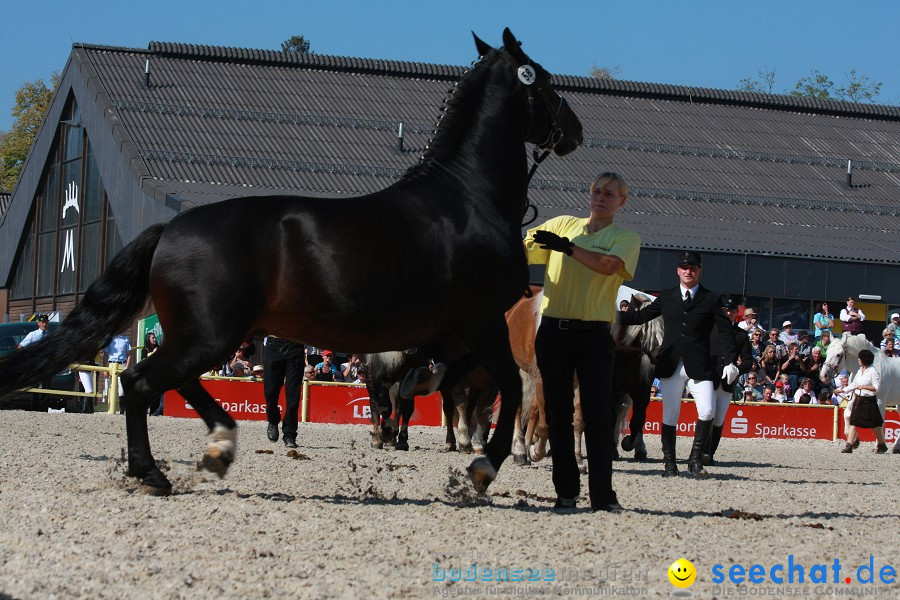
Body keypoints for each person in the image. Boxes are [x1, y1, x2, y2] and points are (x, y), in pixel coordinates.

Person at [525, 171, 640, 513]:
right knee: (557, 416)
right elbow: (522, 250)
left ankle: (602, 496)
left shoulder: (625, 237)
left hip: (593, 335)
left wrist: (569, 249)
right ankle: (566, 493)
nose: (600, 197)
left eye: (608, 193)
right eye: (596, 191)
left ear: (622, 201)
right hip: (553, 332)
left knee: (598, 416)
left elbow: (608, 266)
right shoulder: (562, 223)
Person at [620, 250, 737, 479]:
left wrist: (731, 361)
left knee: (707, 410)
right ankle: (670, 464)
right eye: (684, 268)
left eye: (693, 268)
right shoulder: (667, 296)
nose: (688, 271)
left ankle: (694, 461)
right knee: (670, 415)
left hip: (700, 364)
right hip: (671, 363)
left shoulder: (712, 298)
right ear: (678, 271)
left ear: (699, 271)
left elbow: (726, 333)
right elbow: (639, 318)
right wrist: (609, 315)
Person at [705, 296, 753, 465]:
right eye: (726, 310)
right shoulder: (710, 330)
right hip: (709, 377)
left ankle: (710, 454)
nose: (729, 313)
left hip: (727, 381)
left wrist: (738, 370)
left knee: (718, 419)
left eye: (732, 311)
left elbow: (748, 361)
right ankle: (699, 451)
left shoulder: (741, 335)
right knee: (706, 413)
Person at [841, 349, 888, 454]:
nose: (858, 360)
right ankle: (849, 446)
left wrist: (864, 387)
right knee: (853, 422)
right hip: (858, 399)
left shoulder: (873, 372)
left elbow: (877, 388)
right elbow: (854, 384)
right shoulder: (859, 370)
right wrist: (843, 390)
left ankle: (882, 444)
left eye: (859, 358)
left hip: (869, 401)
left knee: (874, 425)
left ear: (863, 360)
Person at [263, 337, 305, 448]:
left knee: (293, 395)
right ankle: (272, 420)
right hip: (274, 344)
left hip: (296, 345)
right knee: (270, 391)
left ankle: (289, 434)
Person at [18, 314, 55, 410]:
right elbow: (21, 347)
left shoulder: (50, 335)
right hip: (35, 364)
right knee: (35, 385)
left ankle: (44, 407)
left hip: (46, 364)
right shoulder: (32, 335)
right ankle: (35, 407)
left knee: (46, 386)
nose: (44, 324)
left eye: (46, 322)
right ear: (38, 323)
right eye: (42, 322)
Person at [103, 332, 132, 411]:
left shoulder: (125, 339)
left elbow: (129, 354)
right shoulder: (109, 339)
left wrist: (127, 367)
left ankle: (122, 409)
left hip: (122, 364)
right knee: (111, 387)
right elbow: (105, 355)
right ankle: (110, 408)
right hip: (111, 364)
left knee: (122, 389)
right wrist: (105, 369)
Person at [144, 332, 163, 416]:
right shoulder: (145, 350)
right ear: (148, 339)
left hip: (159, 374)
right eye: (153, 338)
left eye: (155, 338)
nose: (155, 339)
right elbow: (144, 362)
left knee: (159, 394)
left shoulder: (159, 348)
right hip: (149, 375)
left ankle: (157, 411)